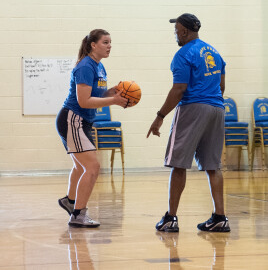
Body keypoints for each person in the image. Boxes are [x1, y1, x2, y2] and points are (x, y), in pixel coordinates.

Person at [147, 13, 230, 233]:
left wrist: (160, 116)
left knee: (179, 163)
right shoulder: (215, 52)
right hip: (217, 109)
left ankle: (170, 218)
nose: (175, 34)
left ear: (184, 31)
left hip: (193, 108)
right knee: (213, 166)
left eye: (176, 31)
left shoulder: (183, 54)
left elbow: (179, 89)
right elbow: (221, 86)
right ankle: (220, 217)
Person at [56, 29, 129, 228]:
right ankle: (78, 214)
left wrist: (109, 92)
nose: (109, 45)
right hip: (73, 119)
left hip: (83, 121)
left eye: (110, 42)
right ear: (93, 45)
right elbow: (84, 100)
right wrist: (113, 100)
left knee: (81, 166)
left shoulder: (99, 66)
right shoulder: (86, 66)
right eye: (105, 42)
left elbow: (95, 93)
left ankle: (70, 202)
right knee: (93, 167)